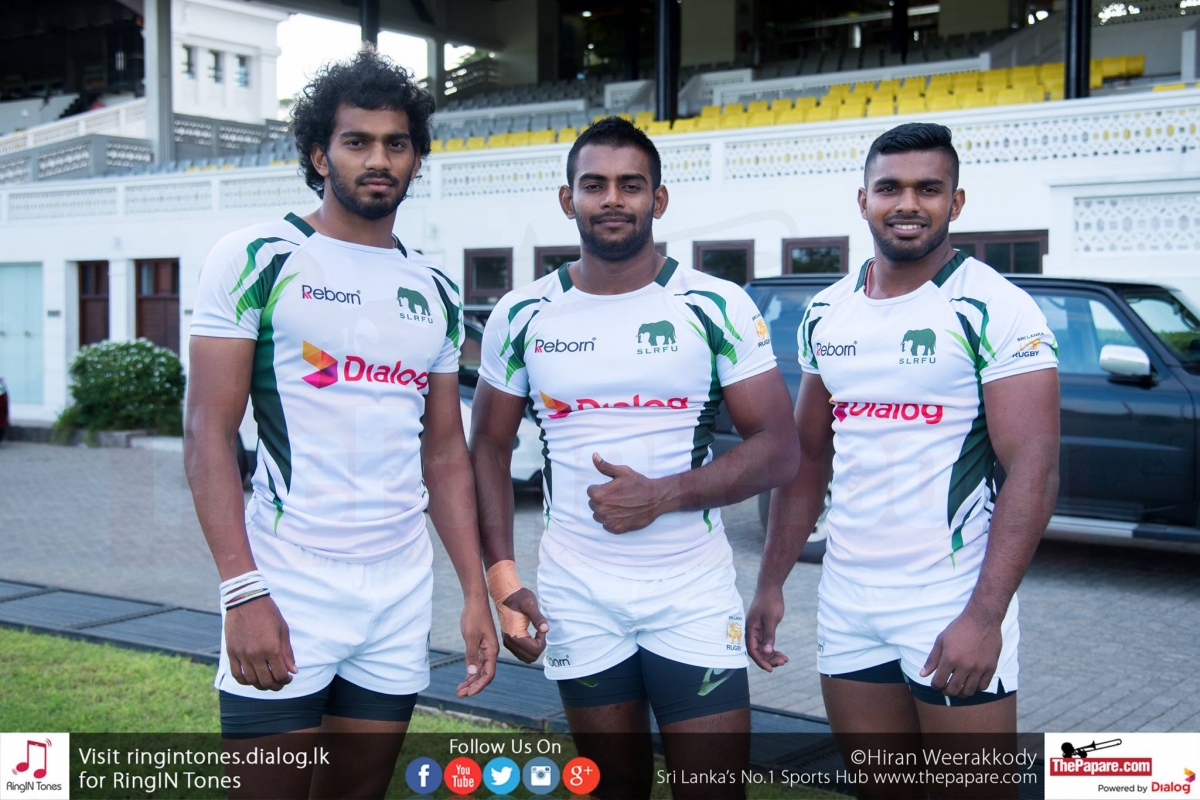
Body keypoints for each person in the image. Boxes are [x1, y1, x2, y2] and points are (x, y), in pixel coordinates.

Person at [184, 49, 497, 799]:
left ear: (416, 159)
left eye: (396, 143)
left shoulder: (434, 285)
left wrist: (473, 591)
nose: (378, 159)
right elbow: (207, 433)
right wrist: (241, 590)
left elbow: (444, 453)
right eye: (357, 141)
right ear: (320, 155)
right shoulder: (257, 256)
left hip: (397, 589)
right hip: (288, 577)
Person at [470, 117, 799, 799]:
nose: (613, 199)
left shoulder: (714, 304)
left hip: (692, 590)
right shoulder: (522, 313)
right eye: (594, 185)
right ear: (568, 200)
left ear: (659, 198)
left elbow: (779, 449)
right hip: (576, 594)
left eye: (631, 184)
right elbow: (489, 450)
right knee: (614, 788)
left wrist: (664, 494)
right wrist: (502, 580)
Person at [747, 122, 1060, 797]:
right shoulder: (827, 311)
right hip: (848, 601)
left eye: (928, 189)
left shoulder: (998, 308)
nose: (908, 204)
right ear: (863, 200)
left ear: (957, 201)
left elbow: (1034, 471)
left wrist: (984, 617)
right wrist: (771, 582)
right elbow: (807, 459)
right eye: (889, 188)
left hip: (950, 600)